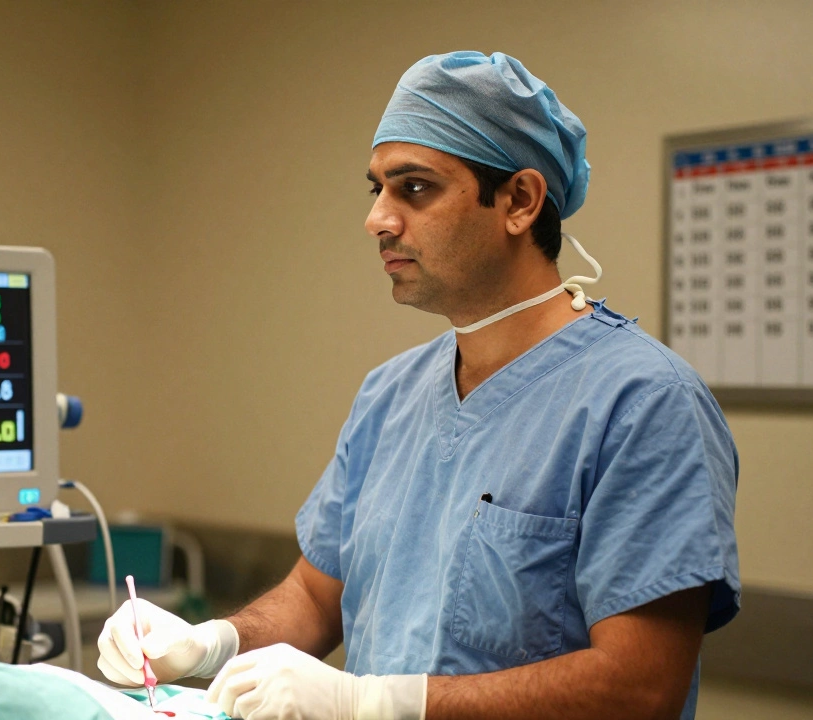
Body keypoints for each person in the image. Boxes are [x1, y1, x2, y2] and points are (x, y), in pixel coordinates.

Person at [98, 51, 740, 720]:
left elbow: (640, 687)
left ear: (519, 201)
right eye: (375, 188)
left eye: (414, 188)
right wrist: (210, 643)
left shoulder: (643, 403)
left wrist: (377, 701)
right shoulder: (389, 396)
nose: (378, 219)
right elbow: (318, 598)